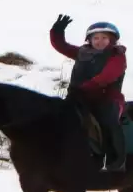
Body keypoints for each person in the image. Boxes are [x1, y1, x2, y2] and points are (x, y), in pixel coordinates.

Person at [49, 14, 127, 172]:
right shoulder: (83, 53)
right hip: (79, 98)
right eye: (96, 38)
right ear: (89, 40)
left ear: (112, 40)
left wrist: (88, 86)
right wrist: (56, 32)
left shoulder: (117, 56)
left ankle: (116, 161)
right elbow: (62, 46)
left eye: (104, 38)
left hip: (107, 99)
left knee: (109, 120)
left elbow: (109, 75)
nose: (99, 41)